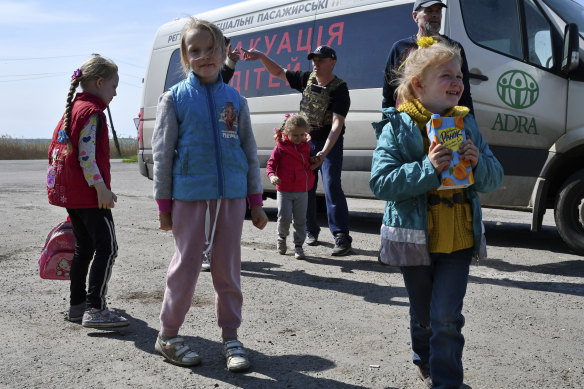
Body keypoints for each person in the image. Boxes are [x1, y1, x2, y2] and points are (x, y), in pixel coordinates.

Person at [369, 39, 503, 388]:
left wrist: (479, 164)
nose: (457, 81)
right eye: (446, 75)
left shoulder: (467, 125)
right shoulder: (398, 127)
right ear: (419, 85)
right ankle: (423, 356)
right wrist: (427, 168)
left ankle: (447, 382)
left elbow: (494, 178)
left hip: (458, 237)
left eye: (459, 75)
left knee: (445, 316)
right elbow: (381, 182)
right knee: (425, 315)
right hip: (415, 241)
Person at [152, 18, 268, 371]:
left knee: (228, 269)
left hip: (231, 199)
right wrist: (163, 204)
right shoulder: (174, 99)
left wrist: (256, 201)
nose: (204, 56)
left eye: (210, 49)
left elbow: (248, 151)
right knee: (186, 266)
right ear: (186, 59)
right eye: (195, 51)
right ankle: (168, 334)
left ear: (223, 52)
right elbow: (162, 153)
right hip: (190, 197)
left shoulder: (236, 99)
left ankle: (231, 337)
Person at [242, 45, 353, 256]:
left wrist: (323, 153)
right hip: (305, 141)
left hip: (329, 141)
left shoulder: (340, 88)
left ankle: (341, 237)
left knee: (331, 184)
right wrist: (261, 56)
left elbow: (337, 124)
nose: (316, 63)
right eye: (314, 60)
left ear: (332, 62)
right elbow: (278, 72)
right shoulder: (306, 78)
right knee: (306, 187)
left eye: (320, 60)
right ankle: (311, 231)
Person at [46, 55, 129, 328]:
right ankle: (96, 309)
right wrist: (101, 189)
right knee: (108, 248)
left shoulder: (74, 108)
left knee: (84, 249)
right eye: (114, 86)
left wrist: (101, 187)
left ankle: (76, 306)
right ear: (100, 82)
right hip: (90, 196)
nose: (116, 92)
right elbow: (86, 157)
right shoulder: (92, 112)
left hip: (74, 196)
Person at [382, 0, 474, 113]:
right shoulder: (400, 48)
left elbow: (465, 95)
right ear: (415, 16)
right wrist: (386, 126)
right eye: (429, 11)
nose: (435, 14)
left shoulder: (453, 47)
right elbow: (389, 95)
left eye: (438, 10)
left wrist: (470, 125)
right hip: (410, 122)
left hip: (447, 124)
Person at [266, 113, 315, 260]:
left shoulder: (305, 147)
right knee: (284, 218)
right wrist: (272, 176)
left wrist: (314, 159)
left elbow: (306, 163)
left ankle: (298, 246)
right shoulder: (280, 147)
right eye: (295, 135)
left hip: (302, 189)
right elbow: (270, 165)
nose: (299, 138)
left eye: (301, 134)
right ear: (286, 132)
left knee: (300, 220)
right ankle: (281, 237)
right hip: (284, 189)